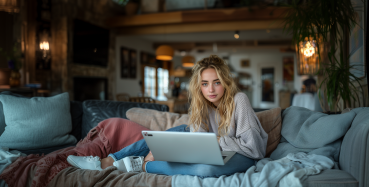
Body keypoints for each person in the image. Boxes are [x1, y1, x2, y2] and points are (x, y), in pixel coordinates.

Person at [67, 55, 268, 178]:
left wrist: (217, 141)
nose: (211, 89)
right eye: (205, 84)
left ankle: (145, 165)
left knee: (204, 171)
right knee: (155, 138)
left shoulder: (239, 100)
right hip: (208, 148)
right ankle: (106, 162)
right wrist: (192, 145)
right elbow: (199, 145)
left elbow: (255, 149)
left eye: (216, 82)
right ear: (199, 86)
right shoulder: (201, 106)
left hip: (242, 155)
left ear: (225, 81)